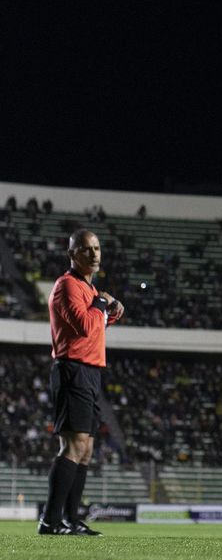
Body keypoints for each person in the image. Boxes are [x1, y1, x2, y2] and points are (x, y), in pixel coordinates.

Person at [39, 229, 124, 536]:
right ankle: (50, 521)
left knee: (85, 449)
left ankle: (71, 520)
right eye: (86, 249)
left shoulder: (89, 290)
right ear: (72, 254)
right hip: (72, 370)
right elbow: (86, 326)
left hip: (89, 372)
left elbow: (96, 325)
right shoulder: (67, 286)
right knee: (72, 446)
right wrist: (102, 302)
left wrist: (110, 312)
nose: (94, 254)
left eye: (97, 248)